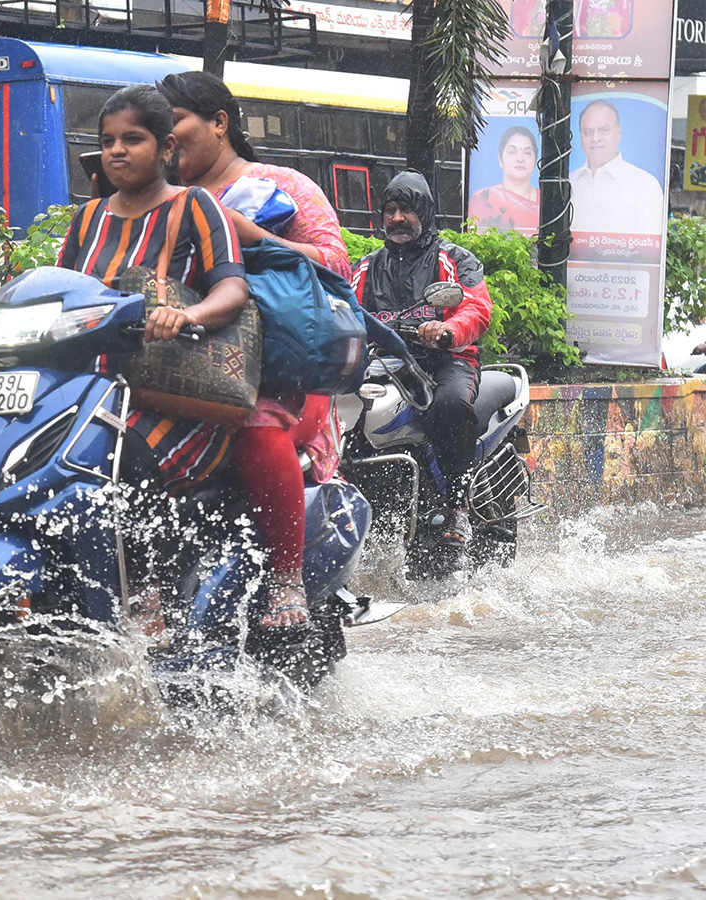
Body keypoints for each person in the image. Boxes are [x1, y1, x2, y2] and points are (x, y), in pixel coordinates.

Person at [56, 85, 274, 626]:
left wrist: (187, 315)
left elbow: (232, 290)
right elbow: (55, 291)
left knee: (118, 451)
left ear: (166, 148)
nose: (117, 151)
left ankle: (149, 588)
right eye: (107, 140)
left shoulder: (194, 206)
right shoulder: (86, 220)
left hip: (171, 399)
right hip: (89, 394)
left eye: (133, 139)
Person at [157, 70, 350, 626]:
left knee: (257, 425)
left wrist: (256, 236)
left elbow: (335, 265)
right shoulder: (158, 200)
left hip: (281, 373)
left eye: (175, 125)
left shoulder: (282, 184)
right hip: (181, 367)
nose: (165, 143)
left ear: (220, 123)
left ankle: (287, 580)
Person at [350, 171, 493, 547]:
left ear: (424, 213)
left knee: (448, 405)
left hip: (444, 361)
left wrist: (446, 332)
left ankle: (457, 505)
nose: (397, 218)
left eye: (407, 210)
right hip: (384, 365)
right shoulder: (368, 266)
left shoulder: (452, 258)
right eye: (391, 210)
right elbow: (341, 310)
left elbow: (475, 308)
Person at [570, 100, 665, 235]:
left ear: (618, 133)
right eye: (588, 132)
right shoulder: (569, 183)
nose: (595, 138)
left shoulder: (644, 184)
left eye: (604, 130)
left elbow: (651, 247)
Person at [468, 126, 540, 234]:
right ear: (500, 158)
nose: (520, 159)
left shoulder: (545, 202)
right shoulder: (484, 198)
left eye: (527, 152)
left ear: (535, 159)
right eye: (512, 152)